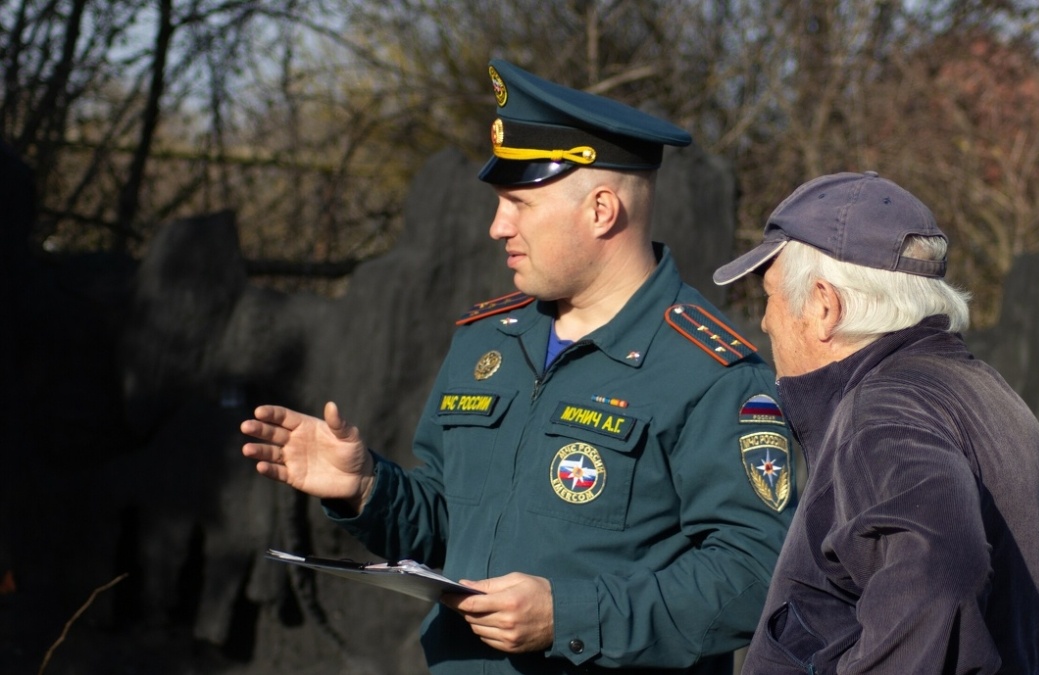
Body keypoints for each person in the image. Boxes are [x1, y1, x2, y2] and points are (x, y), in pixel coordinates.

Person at [241, 58, 795, 674]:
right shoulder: (489, 342)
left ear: (601, 210)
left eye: (518, 203)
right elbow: (454, 529)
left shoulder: (709, 371)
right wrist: (367, 487)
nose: (496, 226)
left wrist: (572, 617)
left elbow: (757, 573)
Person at [712, 171, 1039, 674]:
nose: (764, 321)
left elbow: (944, 570)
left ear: (825, 306)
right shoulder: (984, 392)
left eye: (771, 296)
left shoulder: (882, 414)